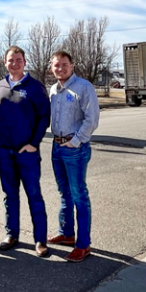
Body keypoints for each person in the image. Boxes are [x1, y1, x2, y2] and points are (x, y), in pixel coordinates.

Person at [0, 46, 51, 257]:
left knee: (34, 196)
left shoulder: (35, 87)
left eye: (18, 60)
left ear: (24, 62)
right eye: (11, 60)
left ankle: (40, 240)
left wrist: (34, 143)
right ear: (5, 62)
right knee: (10, 195)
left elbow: (44, 117)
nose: (14, 63)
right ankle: (12, 234)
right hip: (5, 151)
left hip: (27, 153)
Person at [47, 50, 100, 263]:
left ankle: (83, 244)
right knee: (64, 193)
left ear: (72, 65)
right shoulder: (53, 89)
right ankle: (67, 234)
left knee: (79, 196)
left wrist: (76, 141)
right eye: (56, 65)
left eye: (64, 64)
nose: (60, 68)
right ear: (52, 67)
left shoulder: (84, 87)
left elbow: (92, 119)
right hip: (57, 147)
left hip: (74, 148)